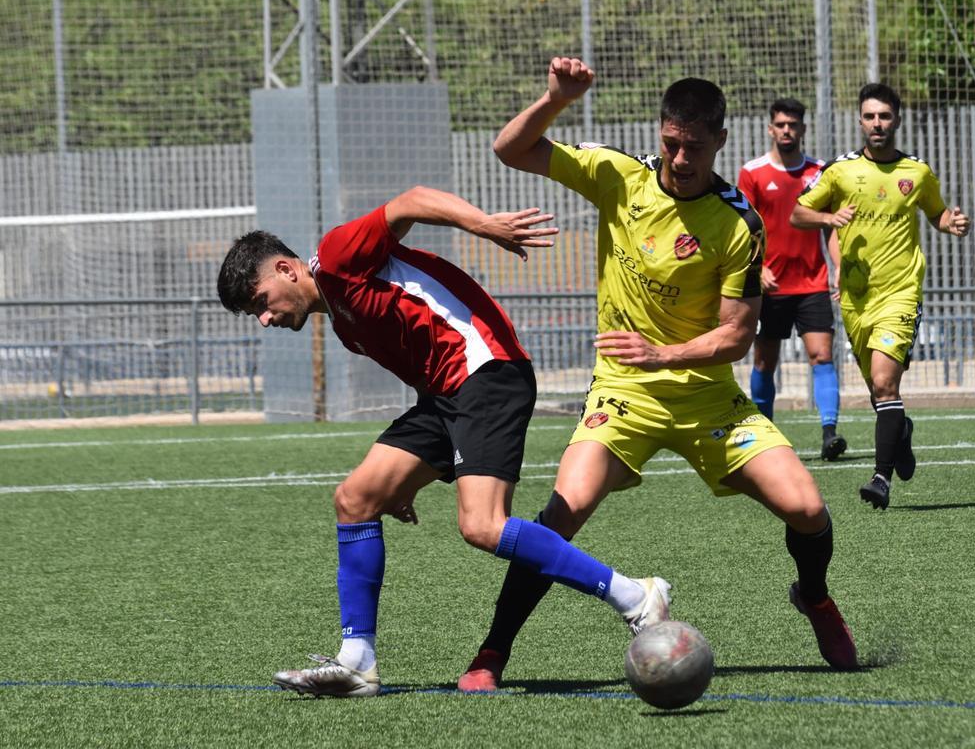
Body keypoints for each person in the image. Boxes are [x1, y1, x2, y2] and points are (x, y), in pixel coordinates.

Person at [457, 57, 857, 693]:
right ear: (661, 134)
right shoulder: (619, 176)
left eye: (694, 148)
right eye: (671, 144)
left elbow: (737, 334)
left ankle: (814, 597)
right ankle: (492, 652)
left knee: (807, 508)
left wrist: (662, 354)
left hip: (709, 402)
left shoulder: (737, 222)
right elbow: (512, 149)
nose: (680, 159)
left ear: (720, 143)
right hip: (622, 395)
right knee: (560, 513)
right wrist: (555, 99)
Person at [216, 185, 671, 698]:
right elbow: (425, 368)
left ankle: (636, 595)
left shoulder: (339, 255)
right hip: (445, 395)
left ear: (284, 270)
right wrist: (411, 476)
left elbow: (410, 201)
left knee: (482, 525)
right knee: (356, 500)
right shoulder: (345, 325)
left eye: (261, 303)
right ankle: (357, 661)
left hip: (487, 372)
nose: (265, 319)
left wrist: (484, 224)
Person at [791, 83, 970, 510]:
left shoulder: (918, 172)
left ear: (897, 120)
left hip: (901, 293)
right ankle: (900, 432)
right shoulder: (839, 171)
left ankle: (880, 479)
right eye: (870, 116)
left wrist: (952, 222)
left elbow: (937, 212)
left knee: (887, 384)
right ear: (860, 121)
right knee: (877, 391)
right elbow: (798, 213)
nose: (877, 124)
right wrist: (827, 216)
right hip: (855, 299)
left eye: (884, 116)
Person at [738, 98, 846, 460]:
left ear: (803, 129)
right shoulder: (752, 172)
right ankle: (764, 434)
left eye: (793, 125)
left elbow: (831, 226)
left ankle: (830, 433)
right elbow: (742, 228)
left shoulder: (819, 172)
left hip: (812, 283)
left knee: (822, 355)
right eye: (781, 124)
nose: (787, 130)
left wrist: (838, 266)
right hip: (769, 286)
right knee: (765, 362)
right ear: (771, 128)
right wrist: (758, 267)